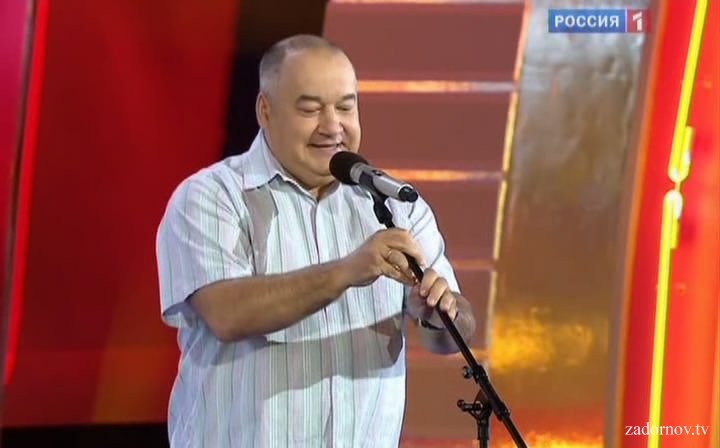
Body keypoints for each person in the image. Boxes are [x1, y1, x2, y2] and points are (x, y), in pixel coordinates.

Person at [156, 34, 476, 448]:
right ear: (265, 110)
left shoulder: (395, 204)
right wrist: (347, 271)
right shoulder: (211, 197)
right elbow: (226, 314)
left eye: (346, 106)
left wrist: (439, 312)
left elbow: (452, 335)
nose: (332, 127)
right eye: (310, 109)